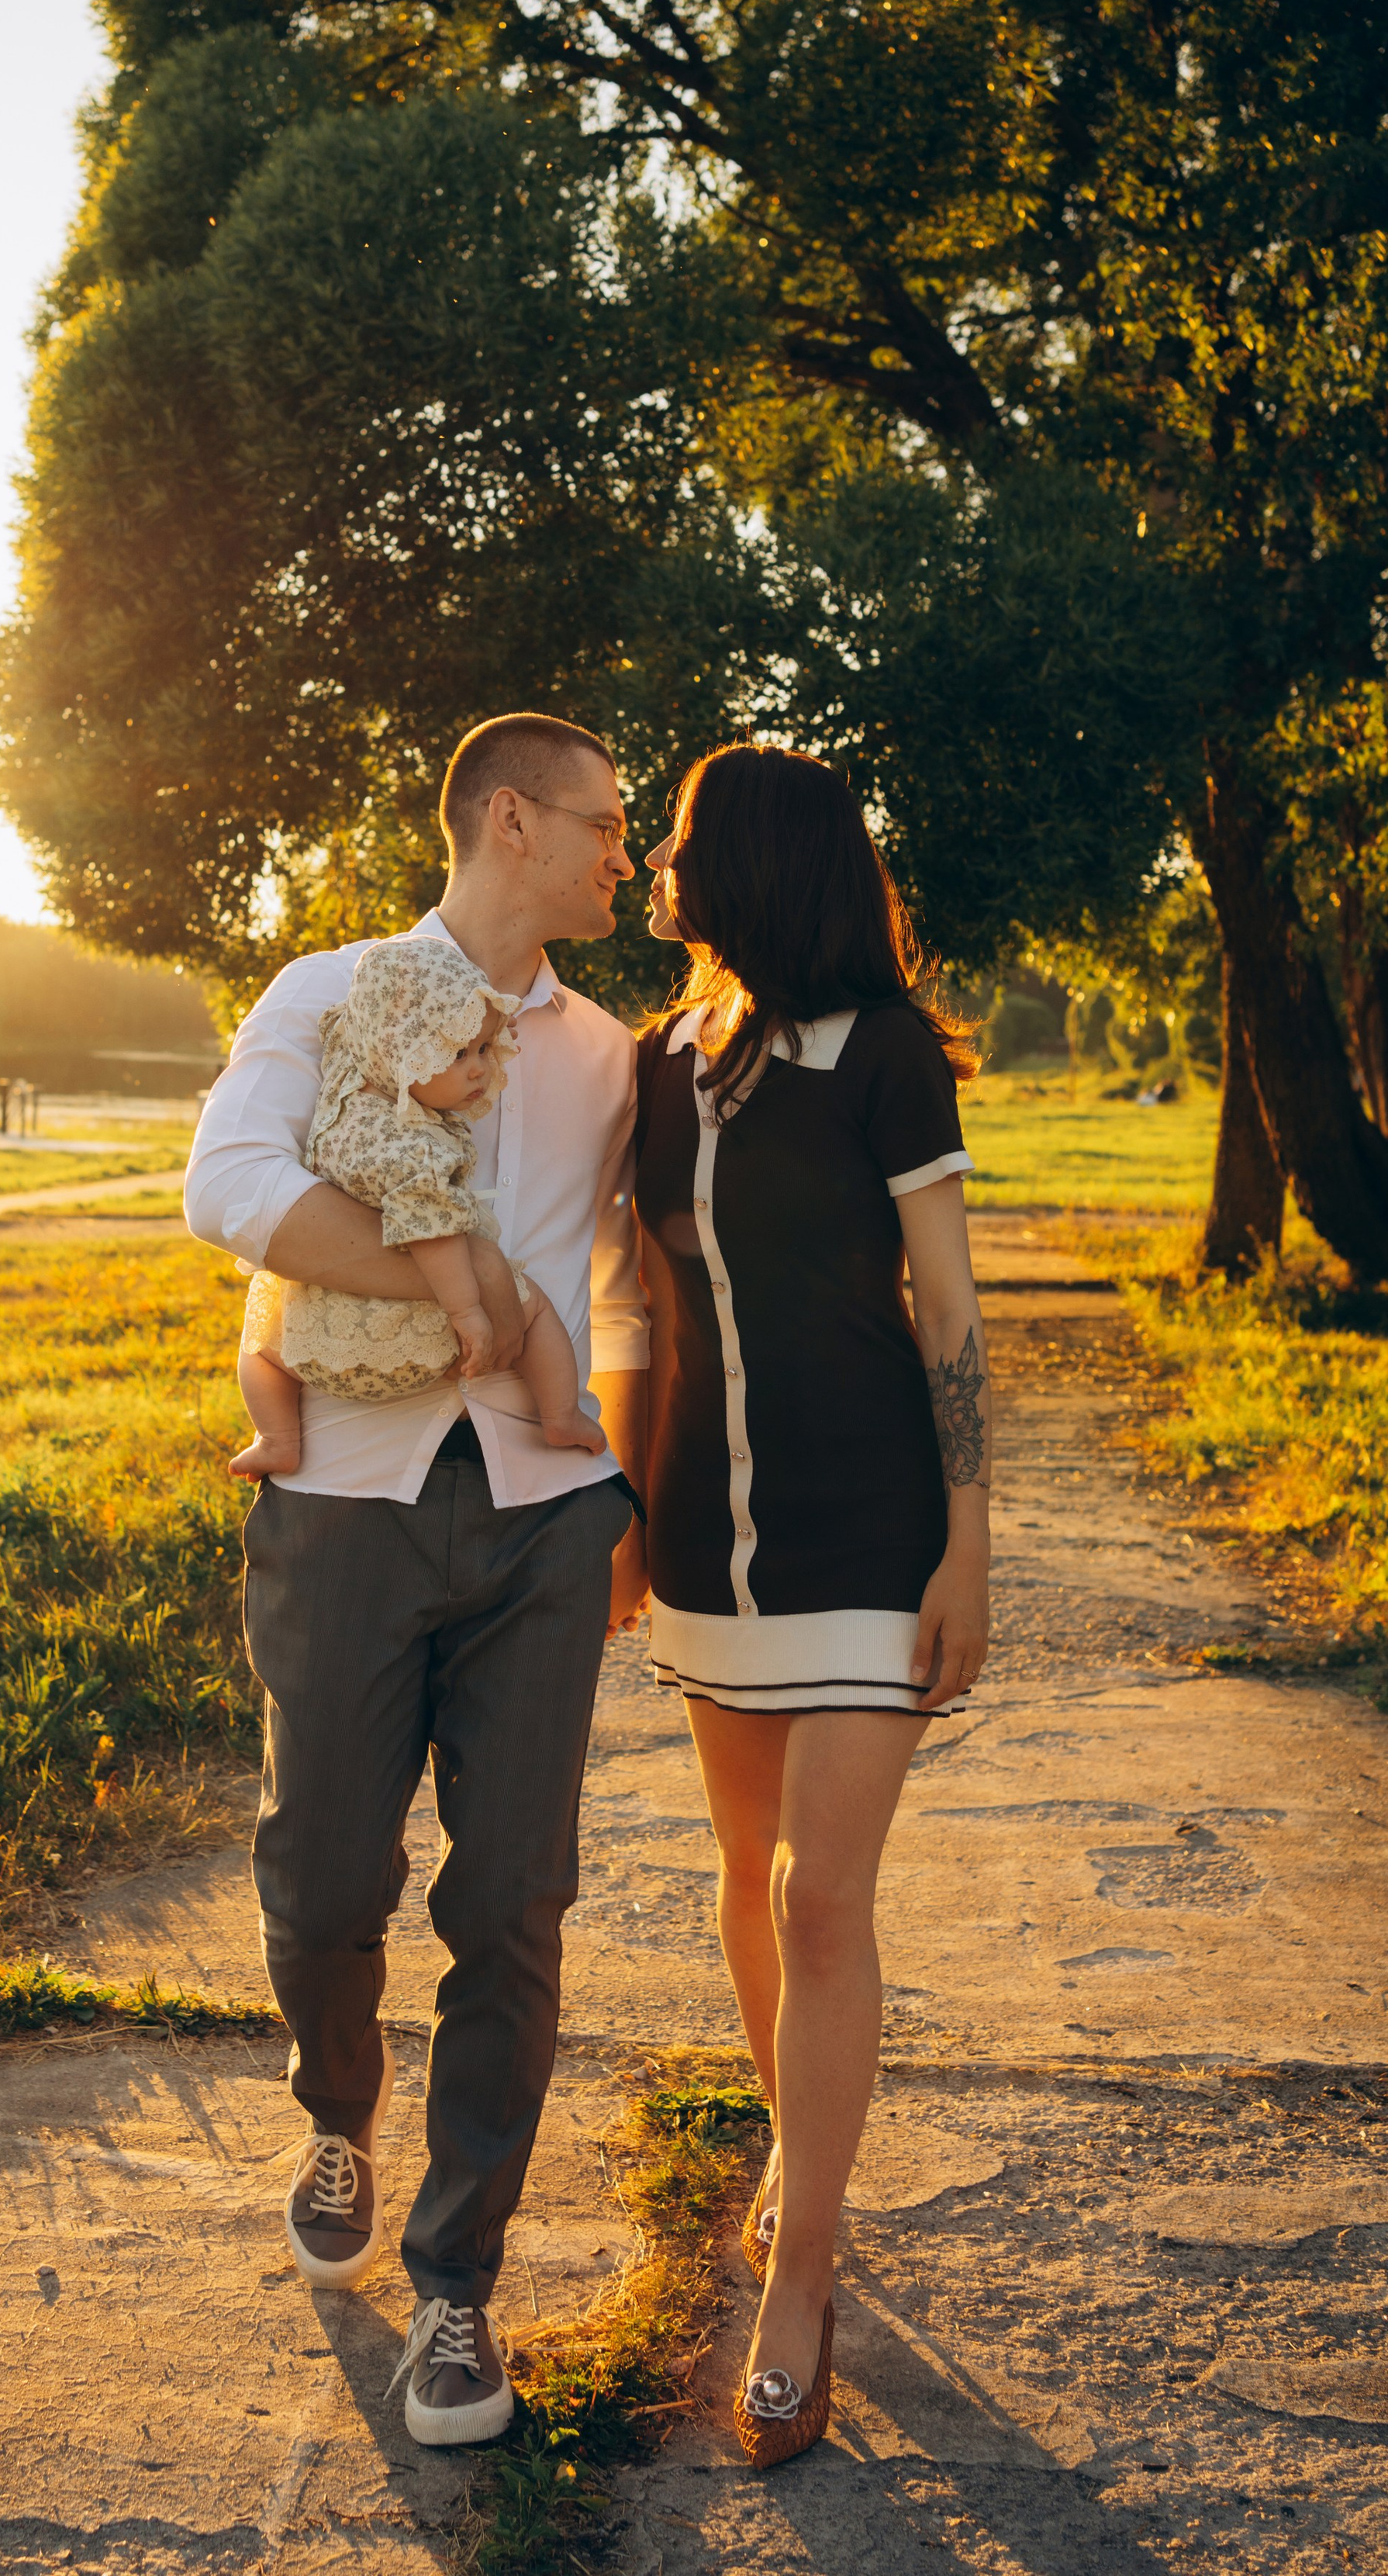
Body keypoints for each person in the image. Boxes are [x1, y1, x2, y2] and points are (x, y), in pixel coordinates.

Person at [184, 711, 649, 2447]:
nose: (624, 855)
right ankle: (334, 2102)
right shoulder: (328, 989)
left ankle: (456, 2292)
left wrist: (617, 1473)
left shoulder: (610, 1056)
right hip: (344, 1498)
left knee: (512, 1902)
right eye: (603, 823)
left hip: (541, 1516)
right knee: (319, 1880)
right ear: (508, 822)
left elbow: (649, 1274)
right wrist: (473, 1296)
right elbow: (227, 1187)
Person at [622, 742, 990, 2470]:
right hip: (704, 1541)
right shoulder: (656, 1064)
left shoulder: (884, 1058)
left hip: (866, 1536)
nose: (658, 866)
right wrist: (624, 1514)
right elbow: (642, 1306)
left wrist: (969, 1542)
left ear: (755, 863)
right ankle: (795, 2150)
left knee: (816, 1890)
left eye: (682, 842)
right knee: (744, 1888)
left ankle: (809, 2272)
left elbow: (946, 1315)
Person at [230, 937, 606, 1479]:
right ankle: (562, 1415)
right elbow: (434, 1233)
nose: (479, 1069)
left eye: (483, 1049)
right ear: (403, 1052)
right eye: (456, 1054)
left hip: (316, 1339)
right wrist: (468, 1312)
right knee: (540, 1312)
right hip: (416, 1338)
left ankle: (276, 1437)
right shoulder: (413, 1146)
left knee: (259, 1342)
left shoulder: (346, 1097)